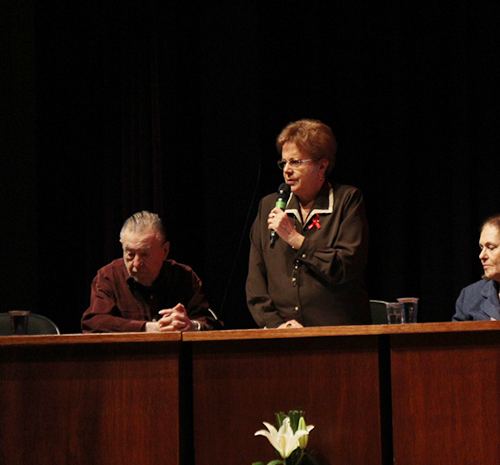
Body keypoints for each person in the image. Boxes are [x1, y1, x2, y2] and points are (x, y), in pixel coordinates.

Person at [246, 119, 370, 328]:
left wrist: (296, 239)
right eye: (283, 162)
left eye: (295, 162)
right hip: (283, 335)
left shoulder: (346, 201)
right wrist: (277, 326)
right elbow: (256, 283)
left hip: (338, 334)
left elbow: (345, 266)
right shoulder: (269, 206)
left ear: (322, 166)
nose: (287, 170)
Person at [82, 211, 220, 332]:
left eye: (145, 255)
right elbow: (93, 323)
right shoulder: (108, 276)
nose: (136, 264)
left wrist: (191, 326)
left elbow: (210, 324)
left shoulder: (184, 277)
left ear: (165, 251)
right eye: (130, 254)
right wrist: (146, 328)